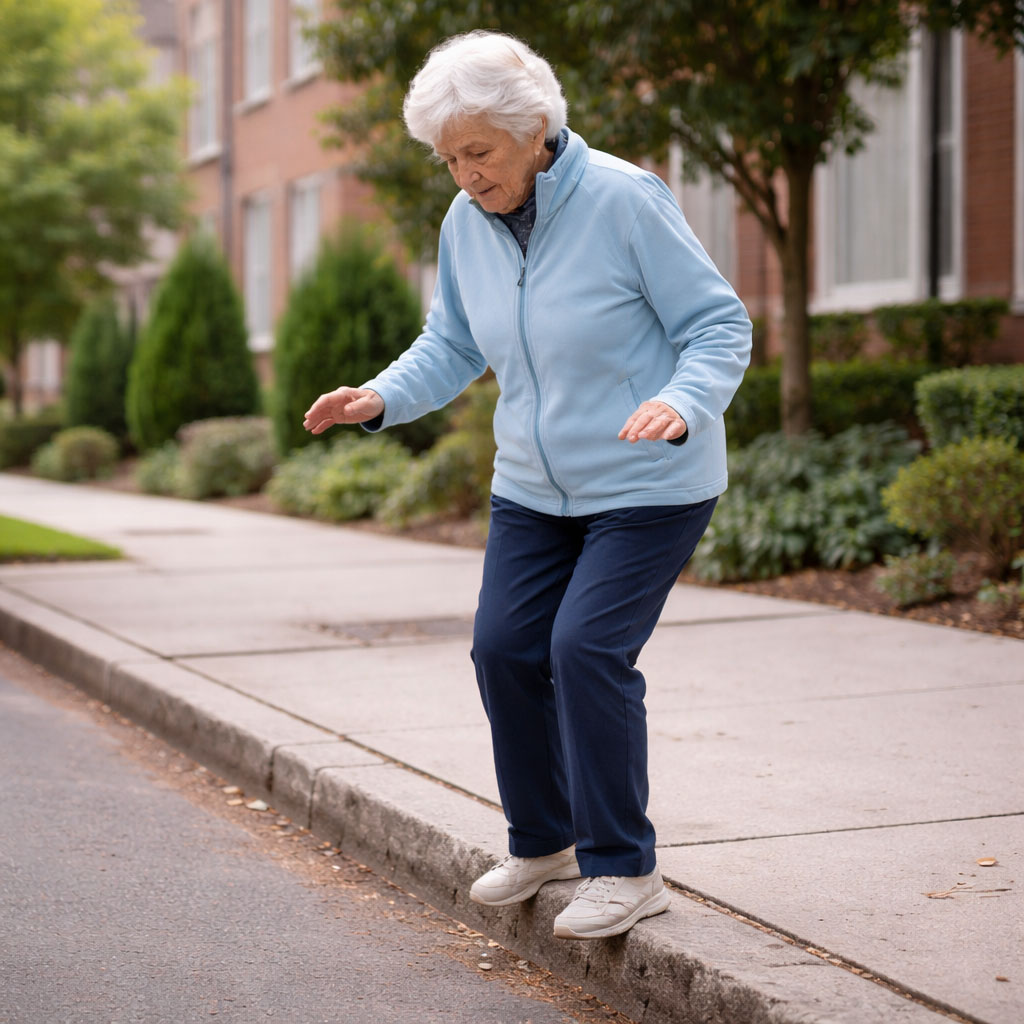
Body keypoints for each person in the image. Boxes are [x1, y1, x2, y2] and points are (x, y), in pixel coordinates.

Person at [303, 31, 751, 940]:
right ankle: (546, 844)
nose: (465, 175)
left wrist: (681, 400)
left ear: (535, 128)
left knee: (585, 651)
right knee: (504, 651)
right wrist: (381, 396)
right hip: (533, 488)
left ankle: (625, 867)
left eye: (479, 152)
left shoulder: (625, 199)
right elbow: (452, 342)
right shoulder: (465, 224)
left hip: (647, 480)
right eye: (449, 159)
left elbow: (717, 325)